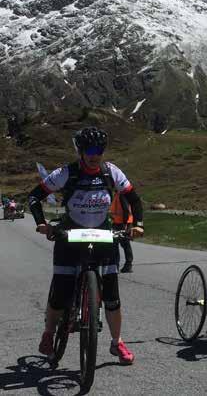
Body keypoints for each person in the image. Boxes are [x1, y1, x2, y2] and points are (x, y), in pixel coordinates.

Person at [28, 126, 144, 364]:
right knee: (60, 292)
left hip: (103, 234)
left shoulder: (111, 172)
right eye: (89, 150)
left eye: (99, 149)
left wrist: (138, 224)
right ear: (80, 151)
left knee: (112, 296)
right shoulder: (66, 173)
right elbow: (34, 197)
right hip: (70, 234)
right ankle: (49, 334)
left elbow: (134, 198)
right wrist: (42, 223)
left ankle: (117, 342)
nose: (95, 154)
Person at [110, 191, 135, 273]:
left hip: (121, 223)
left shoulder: (121, 195)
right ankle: (127, 265)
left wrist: (125, 224)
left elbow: (126, 209)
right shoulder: (119, 194)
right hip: (122, 223)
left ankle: (118, 265)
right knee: (125, 244)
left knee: (116, 245)